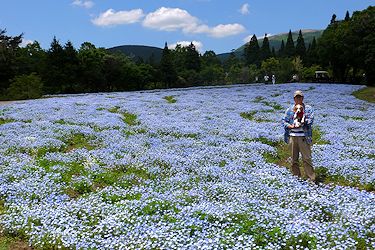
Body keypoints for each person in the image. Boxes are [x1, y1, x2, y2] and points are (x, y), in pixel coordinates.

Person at [282, 90, 316, 182]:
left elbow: (310, 120)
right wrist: (291, 126)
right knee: (294, 159)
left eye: (300, 97)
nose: (298, 99)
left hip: (304, 137)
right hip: (292, 136)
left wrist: (302, 122)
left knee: (307, 158)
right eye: (297, 97)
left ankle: (311, 179)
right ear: (294, 99)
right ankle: (296, 178)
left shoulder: (308, 109)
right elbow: (284, 121)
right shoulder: (289, 110)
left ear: (302, 98)